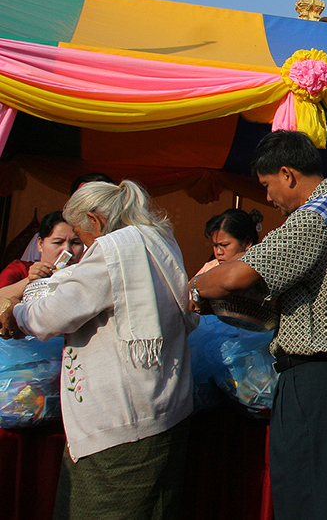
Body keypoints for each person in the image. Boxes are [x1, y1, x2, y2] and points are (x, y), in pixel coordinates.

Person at [192, 130, 327, 520]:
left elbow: (234, 278)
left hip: (315, 378)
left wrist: (196, 284)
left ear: (288, 174)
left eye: (267, 185)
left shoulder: (313, 217)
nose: (268, 197)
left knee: (308, 497)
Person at [0, 180, 196, 520]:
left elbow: (52, 315)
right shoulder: (157, 238)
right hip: (165, 407)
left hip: (121, 427)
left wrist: (15, 315)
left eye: (80, 235)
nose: (83, 247)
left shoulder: (113, 250)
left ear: (96, 221)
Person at [0, 211, 85, 289]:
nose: (67, 249)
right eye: (58, 242)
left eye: (75, 243)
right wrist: (30, 280)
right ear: (40, 244)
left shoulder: (87, 277)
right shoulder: (20, 270)